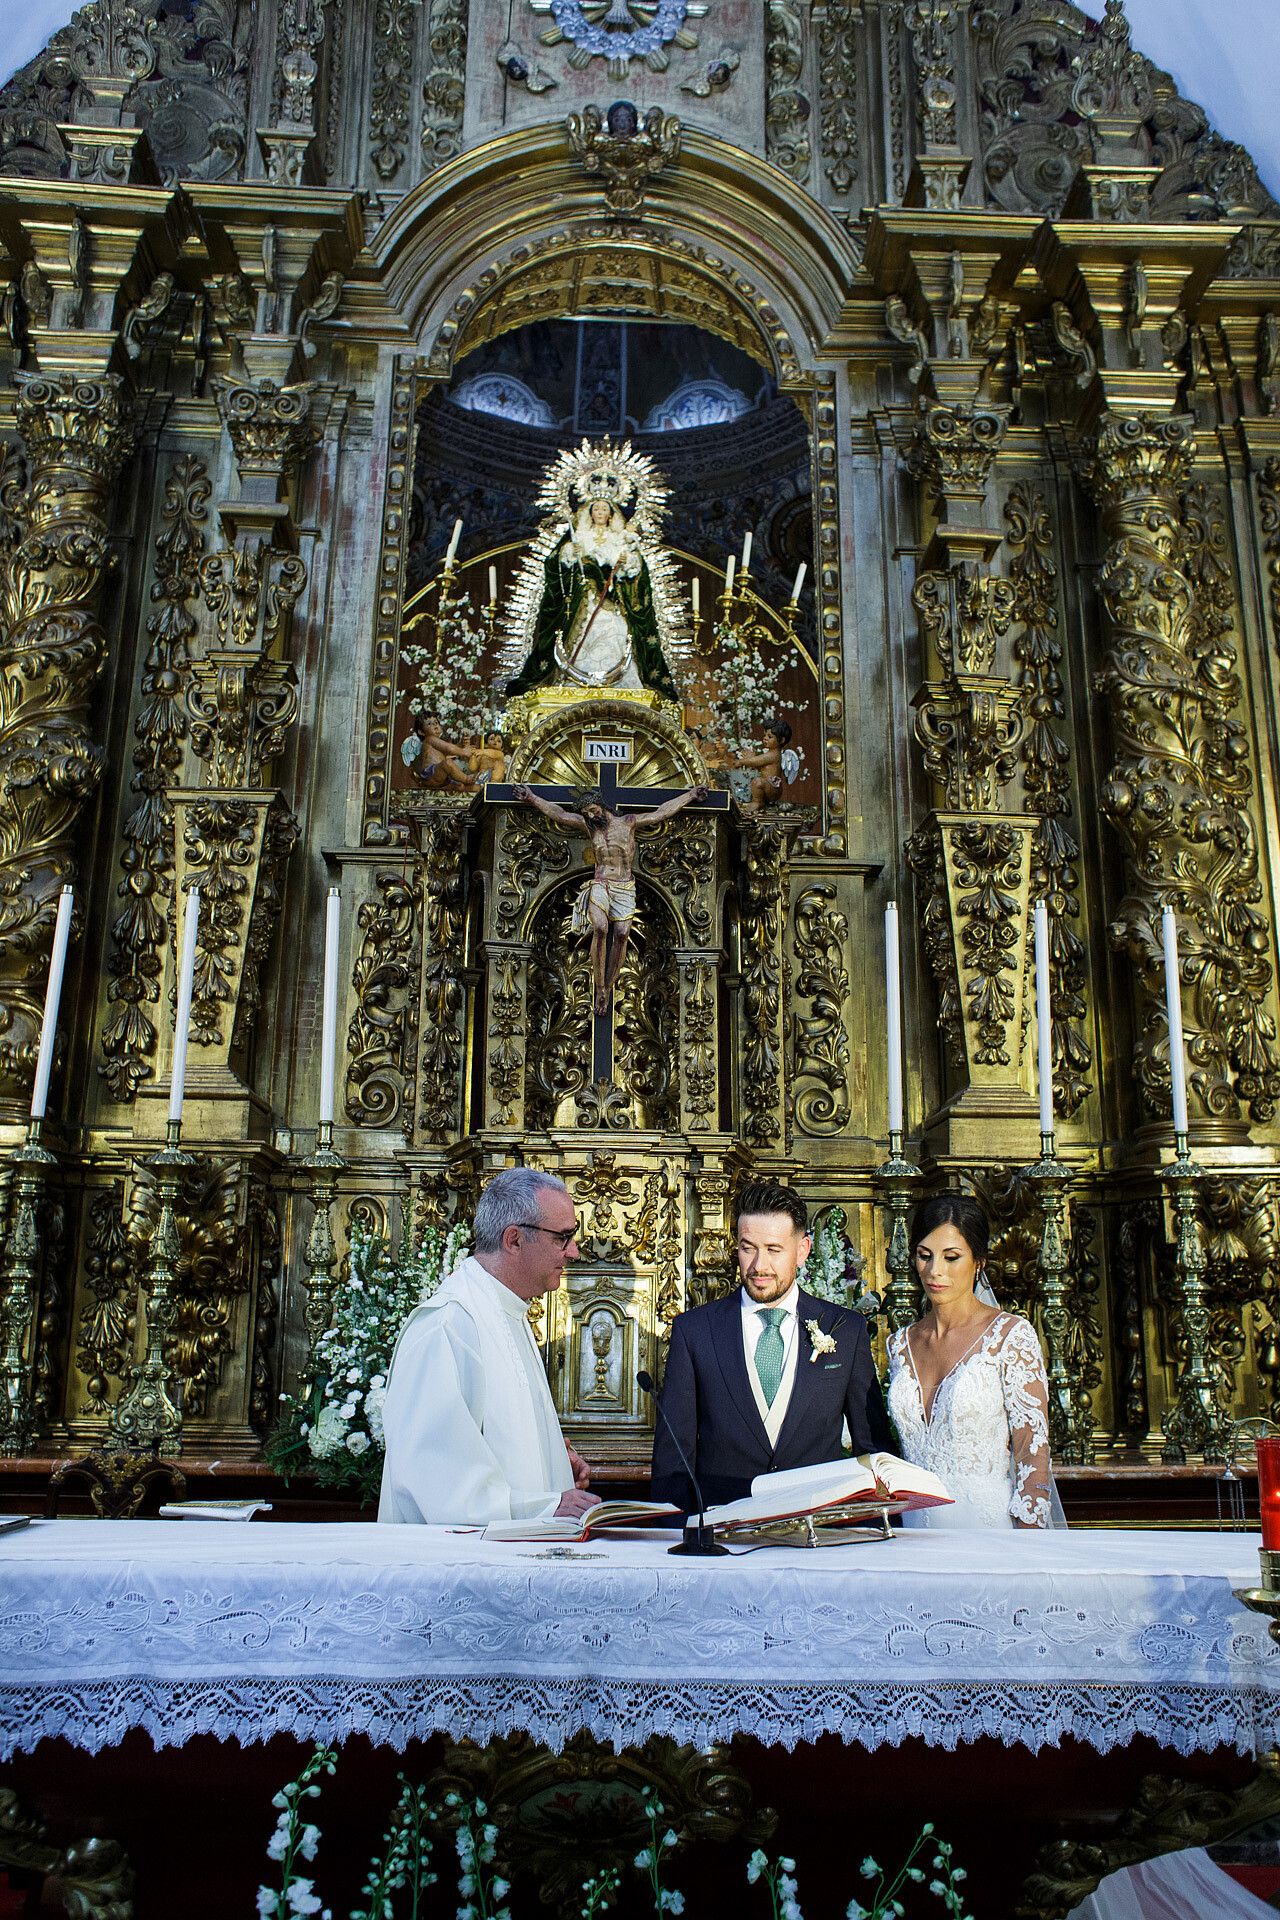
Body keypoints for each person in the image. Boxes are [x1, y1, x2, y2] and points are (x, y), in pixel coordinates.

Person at [650, 1179, 894, 1511]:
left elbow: (874, 1453)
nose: (758, 1265)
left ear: (802, 1251)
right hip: (722, 1538)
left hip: (817, 1536)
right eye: (748, 1247)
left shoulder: (845, 1330)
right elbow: (673, 1460)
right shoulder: (694, 1331)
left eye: (773, 1250)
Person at [377, 1167, 600, 1526]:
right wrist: (546, 1507)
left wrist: (551, 1465)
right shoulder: (449, 1324)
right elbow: (434, 1478)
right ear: (514, 1240)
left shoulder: (507, 1312)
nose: (573, 1252)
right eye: (564, 1237)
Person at [887, 1193, 1054, 1530]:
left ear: (978, 1261)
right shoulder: (899, 1345)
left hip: (988, 1533)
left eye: (951, 1257)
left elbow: (1031, 1452)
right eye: (924, 1256)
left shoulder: (1011, 1337)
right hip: (913, 1535)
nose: (935, 1271)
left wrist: (1030, 1548)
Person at [513, 780, 707, 1015]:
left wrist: (690, 795)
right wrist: (532, 798)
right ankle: (599, 986)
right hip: (601, 883)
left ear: (602, 806)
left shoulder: (628, 823)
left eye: (592, 810)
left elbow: (661, 813)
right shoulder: (589, 827)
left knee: (623, 934)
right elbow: (561, 814)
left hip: (624, 886)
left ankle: (608, 985)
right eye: (586, 813)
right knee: (601, 928)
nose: (590, 815)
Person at [506, 492, 682, 701]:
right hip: (584, 599)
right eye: (596, 509)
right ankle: (570, 684)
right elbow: (555, 564)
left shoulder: (619, 538)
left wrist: (627, 561)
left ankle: (620, 685)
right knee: (577, 635)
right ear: (590, 513)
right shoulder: (579, 535)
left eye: (604, 509)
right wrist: (570, 552)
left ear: (611, 514)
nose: (600, 512)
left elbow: (633, 572)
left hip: (610, 600)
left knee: (618, 630)